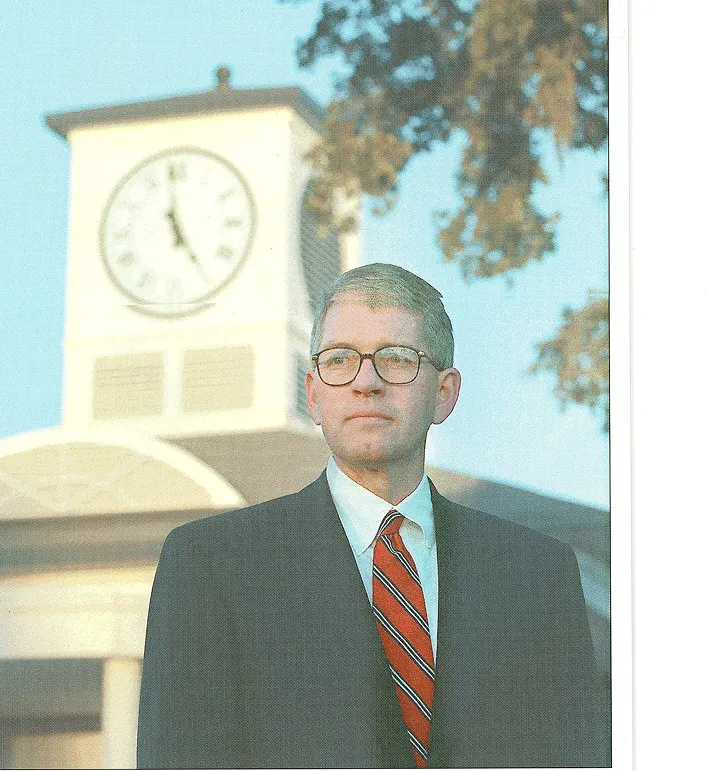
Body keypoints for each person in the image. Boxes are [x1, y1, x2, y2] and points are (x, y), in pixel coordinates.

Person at [137, 263, 603, 768]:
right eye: (340, 360)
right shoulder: (213, 565)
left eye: (397, 358)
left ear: (444, 394)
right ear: (314, 395)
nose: (367, 382)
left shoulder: (536, 573)